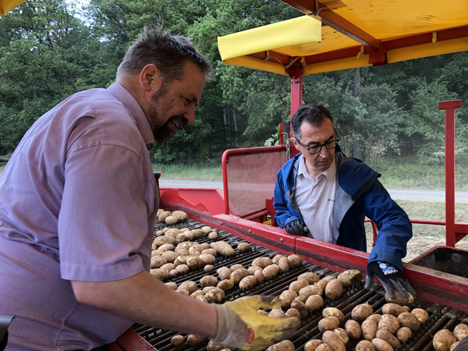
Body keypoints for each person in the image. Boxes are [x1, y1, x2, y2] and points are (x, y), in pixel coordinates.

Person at [0, 27, 299, 351]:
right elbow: (101, 285)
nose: (192, 116)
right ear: (150, 78)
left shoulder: (89, 106)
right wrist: (224, 323)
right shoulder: (111, 135)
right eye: (186, 100)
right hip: (46, 336)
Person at [273, 104, 416, 300]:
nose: (325, 154)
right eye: (314, 146)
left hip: (347, 272)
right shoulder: (286, 174)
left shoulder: (356, 174)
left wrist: (385, 256)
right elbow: (280, 208)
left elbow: (393, 218)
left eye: (330, 141)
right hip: (302, 267)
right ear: (296, 144)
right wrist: (288, 219)